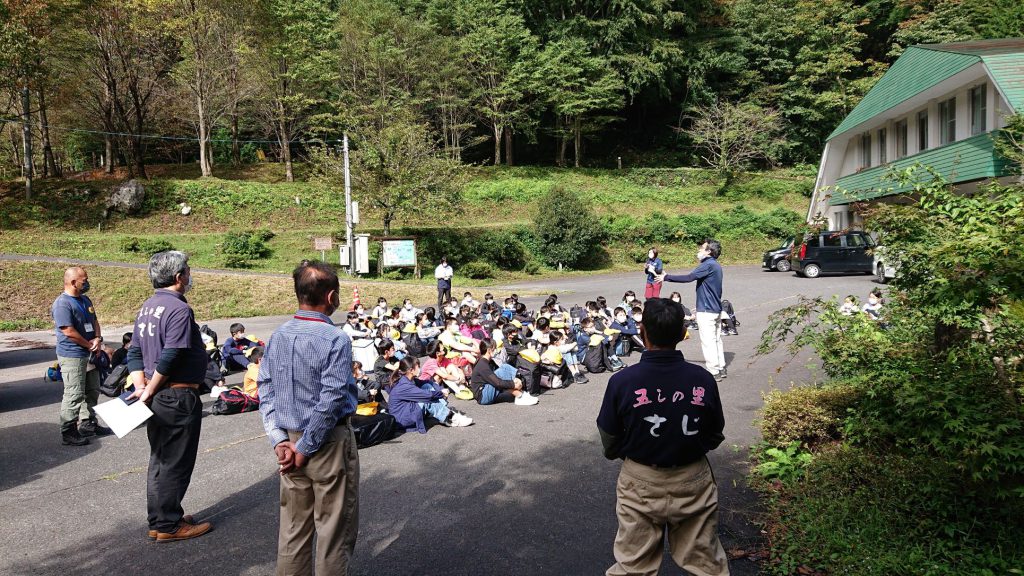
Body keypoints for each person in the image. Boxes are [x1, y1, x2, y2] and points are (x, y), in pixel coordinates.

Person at [596, 297, 729, 576]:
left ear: (642, 331)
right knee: (705, 563)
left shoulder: (622, 381)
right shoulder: (702, 379)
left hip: (640, 478)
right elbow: (715, 432)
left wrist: (622, 453)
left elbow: (609, 434)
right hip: (693, 476)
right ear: (683, 333)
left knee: (633, 564)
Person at [258, 260, 360, 575]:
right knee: (333, 533)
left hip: (288, 441)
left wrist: (280, 441)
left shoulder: (279, 335)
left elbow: (266, 389)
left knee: (293, 531)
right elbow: (331, 399)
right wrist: (306, 447)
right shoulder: (335, 339)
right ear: (331, 297)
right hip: (327, 443)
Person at [126, 251, 213, 542]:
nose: (190, 275)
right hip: (176, 395)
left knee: (161, 459)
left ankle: (161, 518)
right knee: (176, 460)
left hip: (157, 395)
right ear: (179, 277)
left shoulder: (148, 306)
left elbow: (135, 351)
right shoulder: (178, 309)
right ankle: (169, 525)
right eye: (187, 270)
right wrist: (148, 389)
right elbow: (172, 354)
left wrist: (141, 386)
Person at [51, 266, 111, 445]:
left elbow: (95, 322)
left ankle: (88, 423)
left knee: (92, 390)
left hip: (90, 352)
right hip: (73, 355)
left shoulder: (85, 300)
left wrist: (98, 340)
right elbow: (68, 331)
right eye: (84, 280)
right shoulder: (62, 304)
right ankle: (68, 431)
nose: (87, 283)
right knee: (74, 393)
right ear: (72, 282)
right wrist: (89, 344)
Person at [658, 239, 727, 380]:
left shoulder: (707, 264)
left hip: (707, 310)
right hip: (715, 308)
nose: (699, 250)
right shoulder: (716, 266)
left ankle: (714, 371)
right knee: (716, 340)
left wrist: (667, 277)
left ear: (709, 251)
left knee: (708, 341)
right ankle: (720, 367)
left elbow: (689, 277)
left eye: (702, 248)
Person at [386, 356, 473, 433]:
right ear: (411, 370)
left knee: (426, 386)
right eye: (418, 367)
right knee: (427, 400)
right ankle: (451, 417)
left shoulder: (409, 378)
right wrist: (441, 393)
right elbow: (426, 395)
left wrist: (440, 389)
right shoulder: (403, 385)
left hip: (407, 409)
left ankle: (443, 412)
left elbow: (427, 382)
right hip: (402, 418)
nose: (420, 369)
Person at [471, 340, 538, 406]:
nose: (496, 351)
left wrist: (512, 382)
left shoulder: (485, 361)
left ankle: (521, 393)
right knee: (503, 370)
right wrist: (513, 384)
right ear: (489, 350)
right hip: (483, 396)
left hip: (485, 392)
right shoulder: (482, 365)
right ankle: (520, 396)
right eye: (494, 349)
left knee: (504, 368)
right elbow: (498, 383)